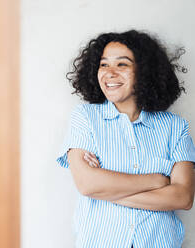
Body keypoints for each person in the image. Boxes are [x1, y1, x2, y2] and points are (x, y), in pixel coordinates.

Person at [57, 30, 195, 248]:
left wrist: (107, 191)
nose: (110, 73)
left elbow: (183, 198)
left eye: (122, 64)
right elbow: (87, 184)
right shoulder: (85, 118)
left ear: (144, 71)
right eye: (103, 65)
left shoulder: (174, 126)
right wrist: (157, 181)